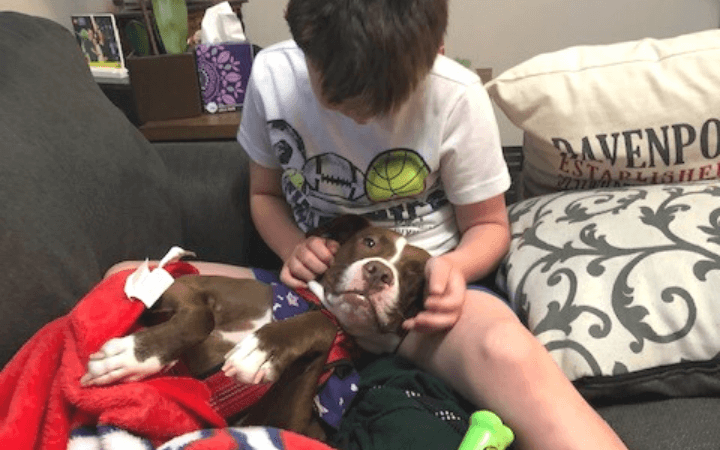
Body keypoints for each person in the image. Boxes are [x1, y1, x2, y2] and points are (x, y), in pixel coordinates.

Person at [109, 1, 628, 448]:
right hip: (309, 289)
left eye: (385, 101)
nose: (361, 118)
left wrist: (453, 269)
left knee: (507, 351)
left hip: (421, 307)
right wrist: (292, 248)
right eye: (338, 99)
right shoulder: (271, 75)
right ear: (299, 35)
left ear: (437, 51)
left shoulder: (457, 95)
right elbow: (264, 195)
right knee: (127, 279)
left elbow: (490, 226)